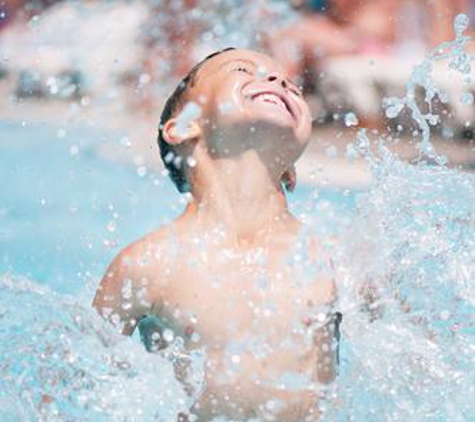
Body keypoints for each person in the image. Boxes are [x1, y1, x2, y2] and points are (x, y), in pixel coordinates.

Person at [93, 47, 341, 421]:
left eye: (291, 85)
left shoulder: (332, 257)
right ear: (183, 124)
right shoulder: (148, 265)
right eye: (243, 70)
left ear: (292, 169)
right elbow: (73, 382)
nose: (278, 81)